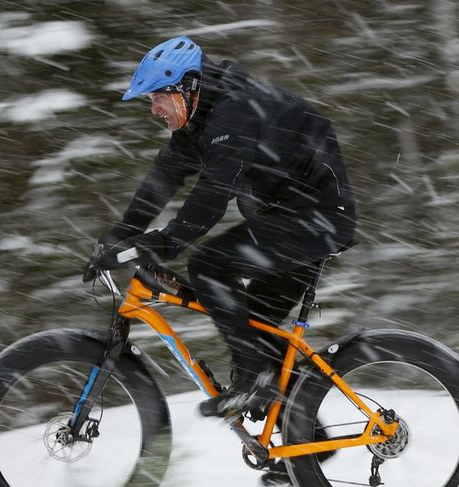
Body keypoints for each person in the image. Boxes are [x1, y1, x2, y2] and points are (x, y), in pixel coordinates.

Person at [83, 36, 356, 420]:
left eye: (158, 97)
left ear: (187, 87)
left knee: (210, 266)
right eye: (150, 100)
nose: (154, 109)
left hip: (317, 219)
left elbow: (214, 192)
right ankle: (301, 432)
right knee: (255, 330)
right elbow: (164, 178)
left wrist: (163, 243)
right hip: (289, 219)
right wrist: (120, 233)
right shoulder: (199, 121)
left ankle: (257, 381)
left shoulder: (235, 110)